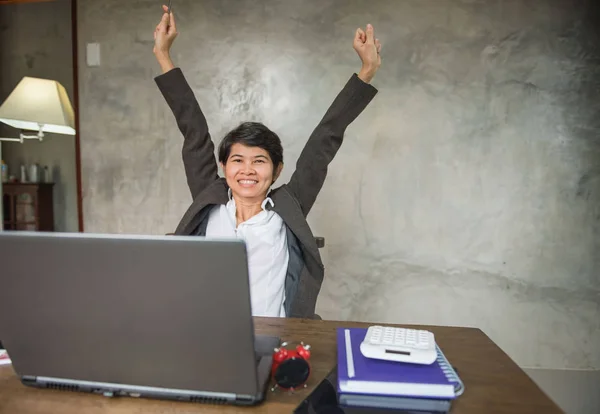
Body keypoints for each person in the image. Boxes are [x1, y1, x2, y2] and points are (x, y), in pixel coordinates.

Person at [153, 5, 381, 319]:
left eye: (259, 161)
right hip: (208, 340)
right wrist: (164, 56)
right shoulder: (209, 198)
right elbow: (193, 129)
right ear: (224, 167)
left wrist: (366, 70)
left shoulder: (290, 207)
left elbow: (324, 139)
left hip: (274, 343)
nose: (247, 170)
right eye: (237, 160)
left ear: (276, 170)